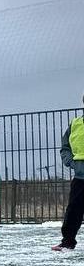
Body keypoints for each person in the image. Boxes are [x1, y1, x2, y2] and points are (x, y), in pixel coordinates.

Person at [52, 96, 84, 251]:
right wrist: (71, 162)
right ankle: (68, 242)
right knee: (74, 210)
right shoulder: (75, 124)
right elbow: (65, 147)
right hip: (80, 175)